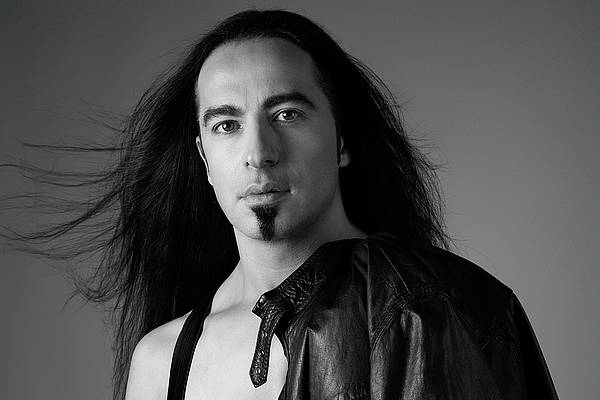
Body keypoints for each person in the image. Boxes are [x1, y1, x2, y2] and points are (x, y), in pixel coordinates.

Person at [3, 9, 558, 400]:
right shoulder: (162, 359)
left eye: (287, 115)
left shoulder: (429, 308)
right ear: (204, 157)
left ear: (342, 140)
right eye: (226, 125)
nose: (259, 153)